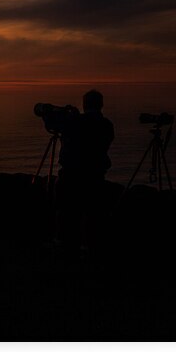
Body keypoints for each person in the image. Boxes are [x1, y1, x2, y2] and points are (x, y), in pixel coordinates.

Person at [55, 89, 115, 253]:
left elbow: (61, 129)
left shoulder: (74, 122)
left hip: (71, 173)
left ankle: (62, 242)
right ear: (101, 105)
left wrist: (70, 117)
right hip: (95, 174)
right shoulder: (107, 125)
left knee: (65, 208)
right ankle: (88, 245)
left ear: (84, 104)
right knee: (92, 211)